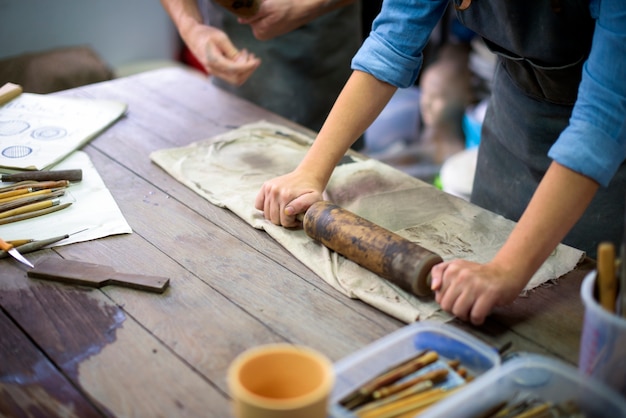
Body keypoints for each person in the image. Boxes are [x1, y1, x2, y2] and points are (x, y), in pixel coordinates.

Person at [255, 0, 626, 325]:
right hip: (516, 118)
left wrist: (506, 270)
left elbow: (600, 124)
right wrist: (310, 172)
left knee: (574, 305)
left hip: (607, 155)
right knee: (478, 269)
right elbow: (389, 44)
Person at [160, 0, 362, 136]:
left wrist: (308, 5)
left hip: (322, 38)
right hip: (231, 32)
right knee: (238, 138)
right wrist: (192, 27)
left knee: (334, 162)